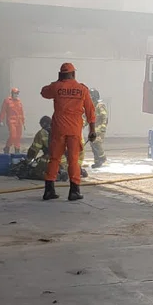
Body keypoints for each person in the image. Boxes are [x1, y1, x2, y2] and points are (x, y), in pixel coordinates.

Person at [40, 63, 96, 201]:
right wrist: (92, 130)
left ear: (61, 74)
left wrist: (57, 82)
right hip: (74, 129)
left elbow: (44, 92)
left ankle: (49, 190)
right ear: (73, 74)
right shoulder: (82, 89)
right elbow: (90, 110)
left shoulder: (57, 87)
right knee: (73, 160)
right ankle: (74, 191)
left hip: (58, 129)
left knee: (54, 158)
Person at [0, 87, 26, 154]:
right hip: (11, 121)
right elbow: (3, 111)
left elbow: (21, 112)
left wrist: (23, 122)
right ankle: (7, 147)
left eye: (17, 93)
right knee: (13, 136)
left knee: (18, 137)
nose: (16, 95)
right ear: (12, 93)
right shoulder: (7, 101)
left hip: (18, 121)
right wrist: (1, 120)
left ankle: (17, 150)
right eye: (15, 93)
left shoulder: (19, 101)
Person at [89, 88, 109, 168]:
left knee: (96, 143)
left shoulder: (100, 105)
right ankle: (97, 160)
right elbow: (88, 118)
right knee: (92, 144)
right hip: (93, 128)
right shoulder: (91, 106)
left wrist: (103, 127)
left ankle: (102, 158)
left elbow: (104, 117)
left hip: (99, 128)